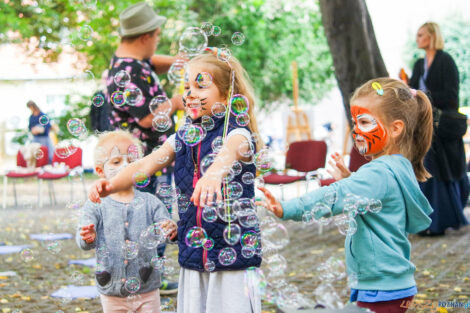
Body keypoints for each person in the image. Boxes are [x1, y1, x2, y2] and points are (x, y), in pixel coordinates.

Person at [89, 51, 263, 313]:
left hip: (233, 256)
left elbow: (232, 149)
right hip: (194, 256)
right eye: (187, 86)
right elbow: (145, 164)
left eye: (201, 85)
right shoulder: (182, 137)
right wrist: (110, 185)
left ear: (227, 96)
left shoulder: (236, 132)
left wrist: (214, 172)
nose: (190, 93)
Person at [259, 78, 434, 313]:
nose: (356, 130)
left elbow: (334, 195)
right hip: (391, 284)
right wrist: (352, 179)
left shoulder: (379, 171)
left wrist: (287, 207)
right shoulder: (398, 166)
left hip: (380, 288)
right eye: (355, 122)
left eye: (364, 121)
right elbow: (371, 198)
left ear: (395, 128)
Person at [107, 1, 185, 293]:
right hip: (145, 161)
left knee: (153, 213)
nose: (158, 40)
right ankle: (148, 278)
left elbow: (153, 62)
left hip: (150, 160)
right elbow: (149, 119)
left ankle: (149, 274)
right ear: (145, 38)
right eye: (156, 35)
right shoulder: (129, 72)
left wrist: (183, 61)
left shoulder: (130, 63)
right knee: (150, 217)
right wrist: (177, 102)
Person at [77, 130, 177, 313]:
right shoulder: (95, 204)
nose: (125, 166)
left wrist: (170, 229)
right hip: (112, 290)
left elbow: (168, 233)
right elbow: (83, 241)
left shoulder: (151, 202)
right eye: (116, 162)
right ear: (100, 170)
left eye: (132, 162)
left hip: (147, 288)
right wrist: (88, 237)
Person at [409, 21, 469, 236]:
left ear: (432, 36)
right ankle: (425, 222)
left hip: (442, 128)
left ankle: (439, 221)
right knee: (425, 170)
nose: (418, 39)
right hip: (424, 126)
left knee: (440, 171)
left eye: (421, 34)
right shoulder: (419, 64)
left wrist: (424, 97)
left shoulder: (446, 61)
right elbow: (412, 90)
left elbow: (451, 95)